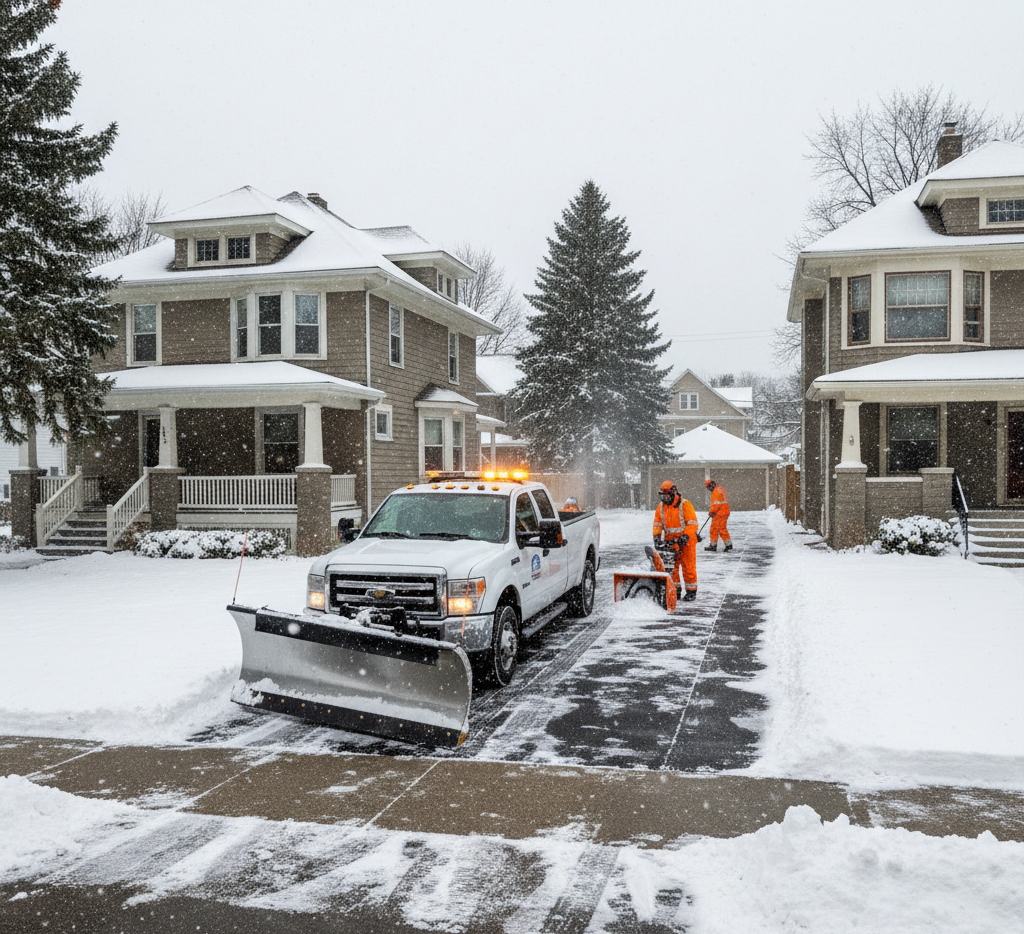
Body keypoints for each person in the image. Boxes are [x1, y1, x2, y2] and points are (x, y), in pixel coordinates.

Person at [652, 480, 699, 601]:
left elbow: (692, 523)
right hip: (670, 542)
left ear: (673, 493)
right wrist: (656, 537)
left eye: (666, 496)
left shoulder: (685, 505)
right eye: (662, 496)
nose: (664, 499)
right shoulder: (661, 507)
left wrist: (685, 536)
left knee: (688, 567)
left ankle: (691, 591)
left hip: (686, 542)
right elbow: (657, 524)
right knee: (672, 568)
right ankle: (675, 590)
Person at [705, 478, 732, 552]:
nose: (709, 489)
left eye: (708, 487)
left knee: (715, 529)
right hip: (724, 511)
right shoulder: (720, 488)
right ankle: (727, 544)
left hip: (719, 513)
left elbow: (716, 504)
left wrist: (711, 512)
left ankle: (714, 545)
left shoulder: (716, 491)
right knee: (721, 528)